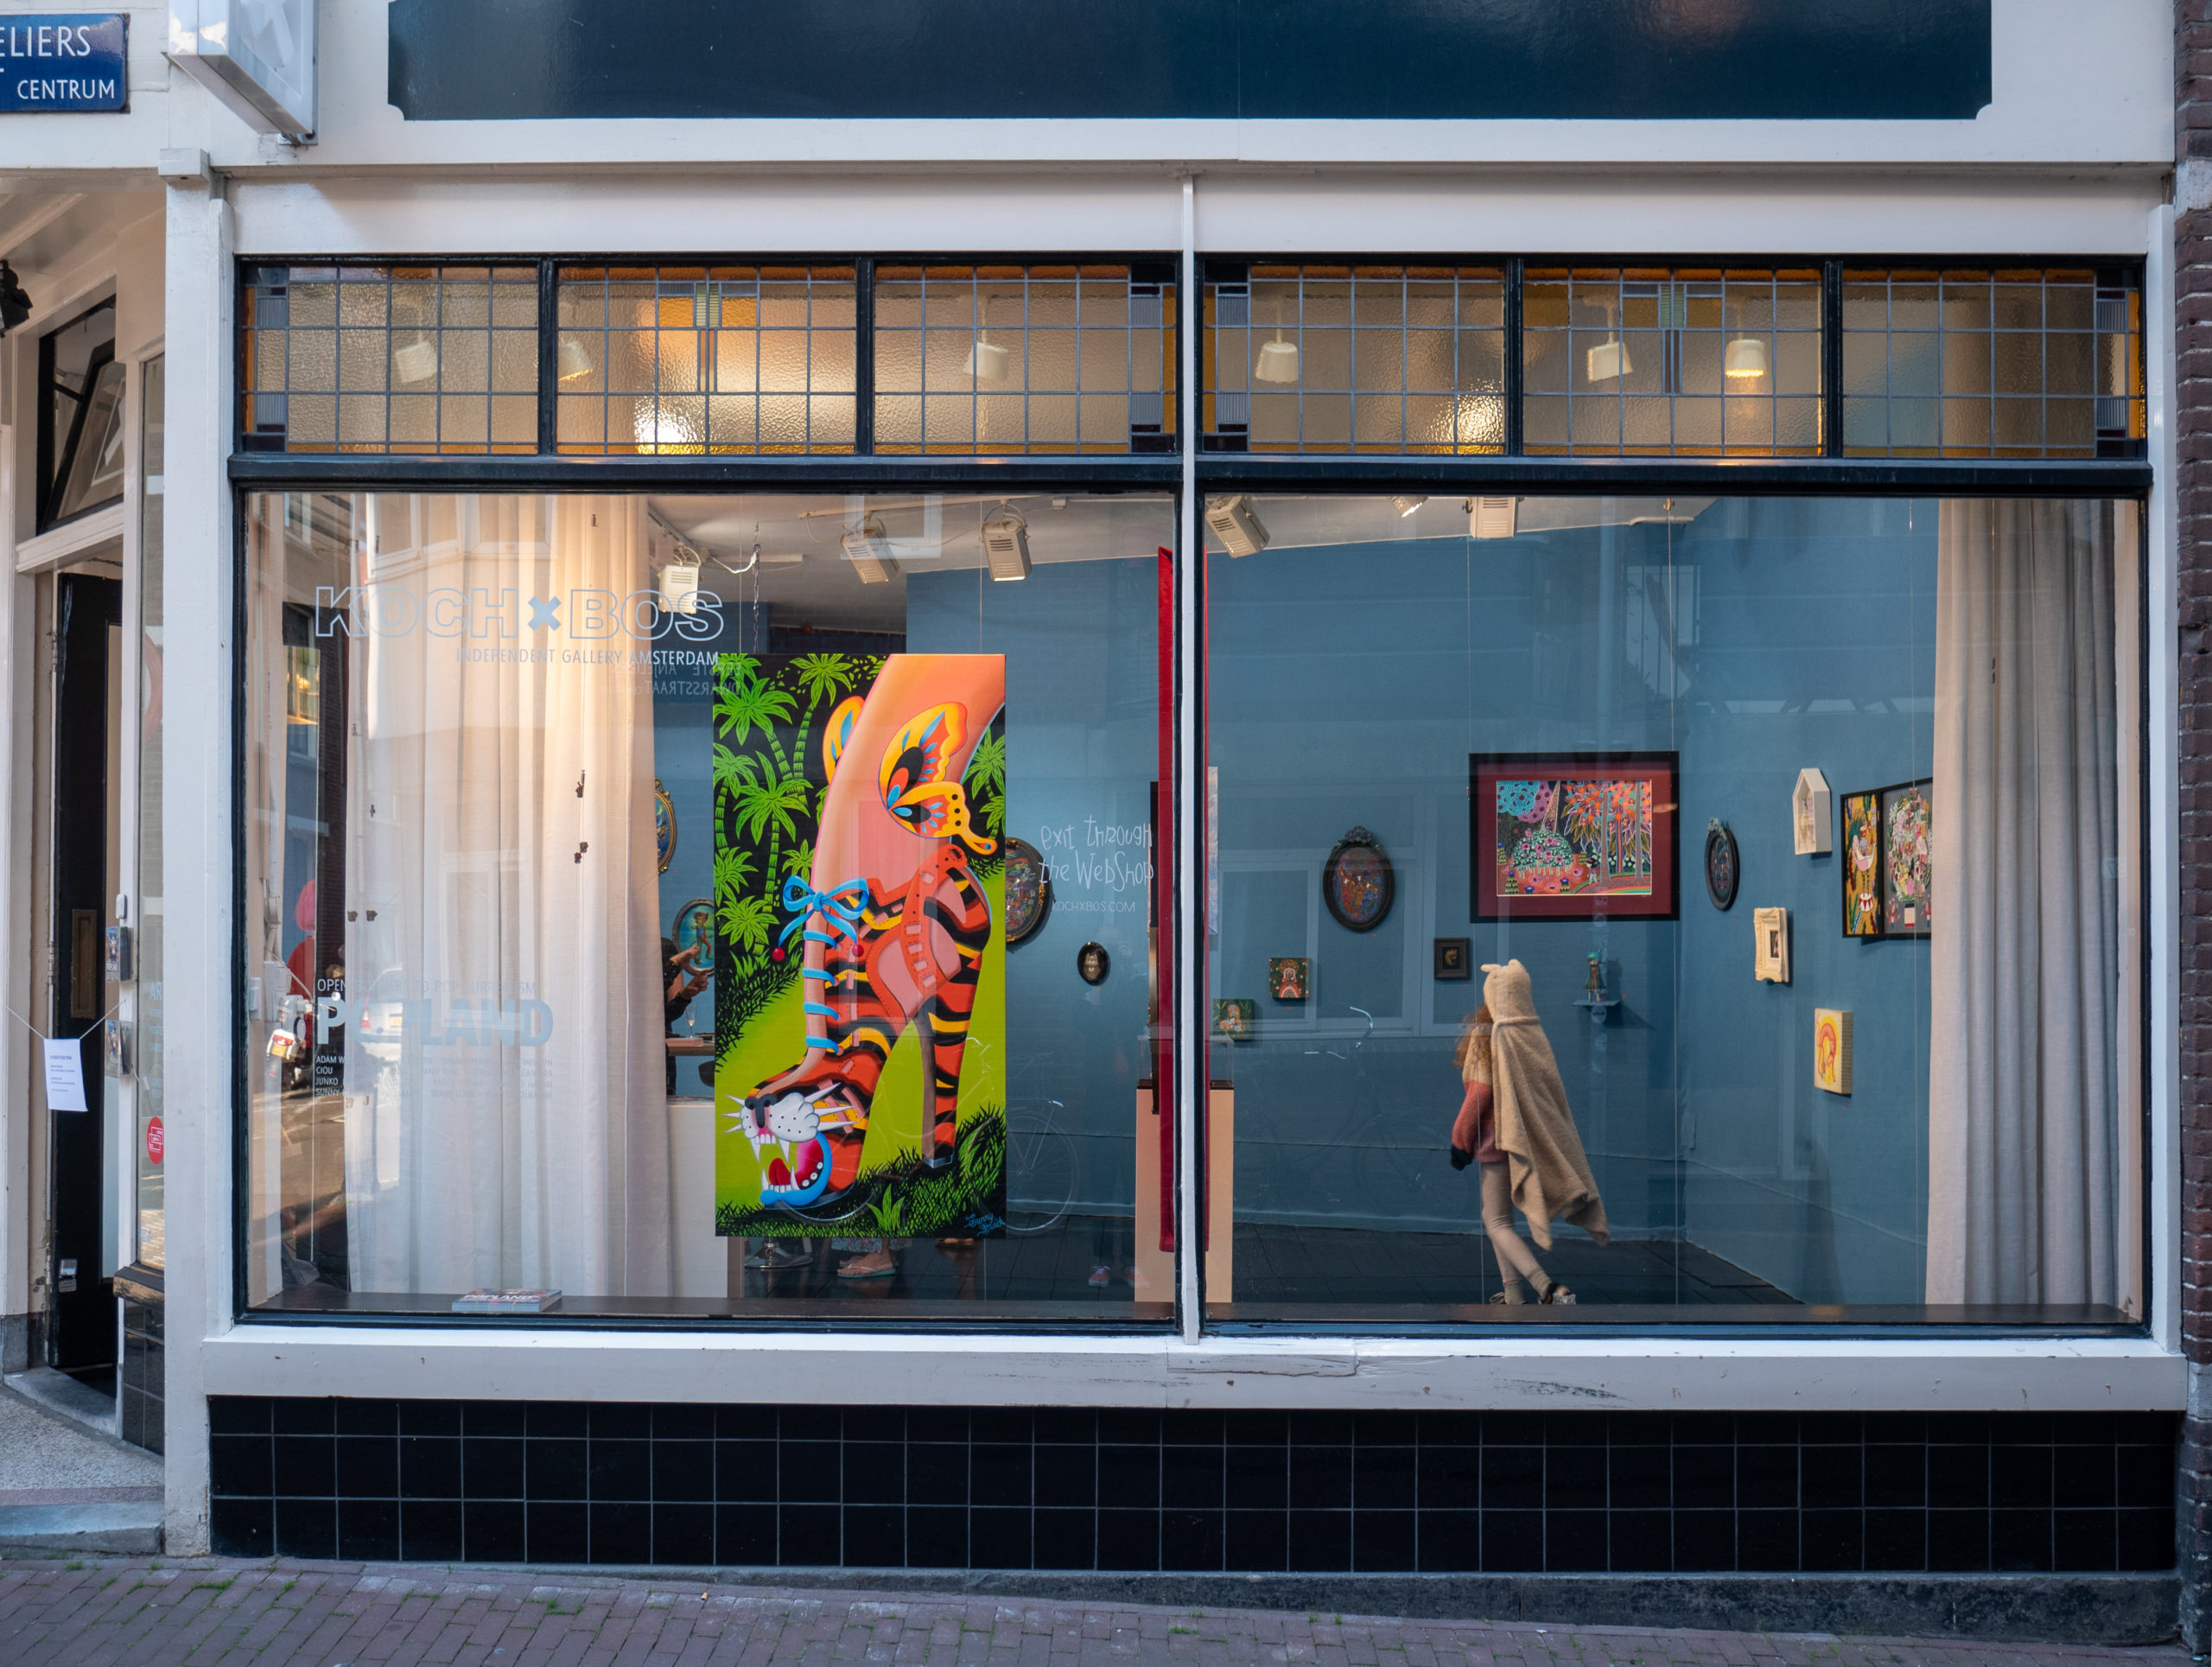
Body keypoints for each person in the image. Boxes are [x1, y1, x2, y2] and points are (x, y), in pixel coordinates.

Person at [1448, 959, 1610, 1304]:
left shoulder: (1487, 1035)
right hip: (1524, 1136)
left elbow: (1479, 1094)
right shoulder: (1529, 1034)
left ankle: (1547, 1287)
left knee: (1496, 1221)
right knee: (1497, 1219)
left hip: (1495, 1139)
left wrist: (1460, 1140)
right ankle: (1512, 1293)